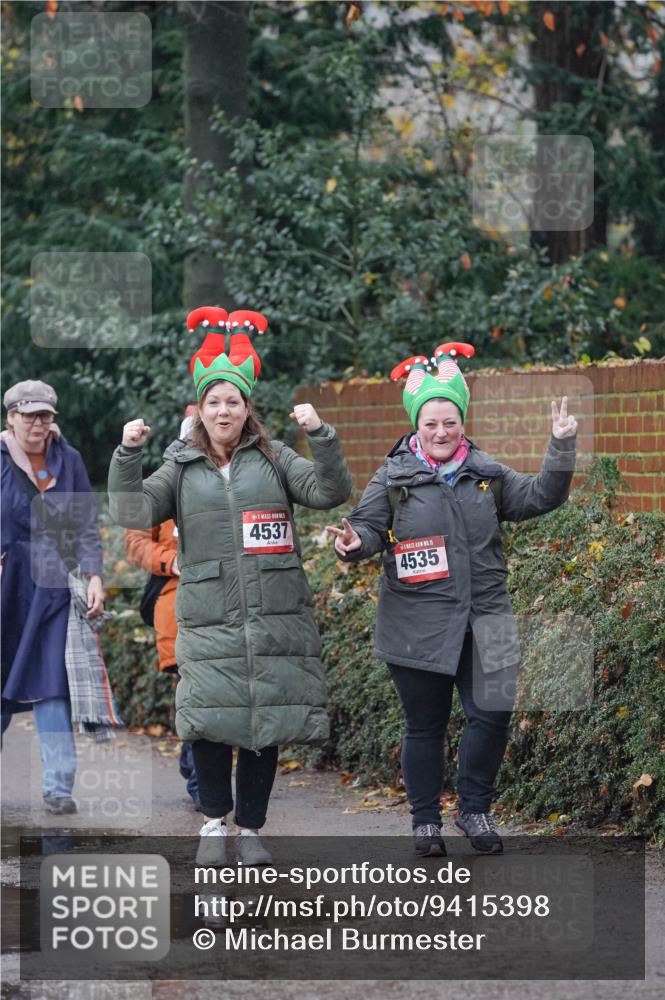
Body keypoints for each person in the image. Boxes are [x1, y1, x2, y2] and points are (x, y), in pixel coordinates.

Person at [108, 307, 352, 864]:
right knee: (211, 722)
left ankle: (250, 829)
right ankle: (214, 823)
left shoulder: (273, 457)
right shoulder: (180, 465)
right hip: (208, 612)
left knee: (265, 723)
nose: (224, 410)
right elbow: (131, 507)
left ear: (247, 408)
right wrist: (127, 454)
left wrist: (321, 434)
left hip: (274, 611)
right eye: (214, 402)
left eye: (233, 401)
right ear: (201, 410)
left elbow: (328, 490)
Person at [327, 342, 577, 857]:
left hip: (488, 616)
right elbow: (369, 529)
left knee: (494, 714)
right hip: (415, 621)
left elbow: (542, 497)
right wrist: (354, 544)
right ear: (416, 426)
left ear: (462, 422)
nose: (441, 432)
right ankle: (424, 822)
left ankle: (474, 809)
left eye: (450, 422)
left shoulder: (486, 473)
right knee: (425, 725)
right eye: (431, 424)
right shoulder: (393, 477)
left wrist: (560, 446)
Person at [1, 379, 112, 815]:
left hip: (52, 587)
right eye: (28, 415)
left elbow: (85, 524)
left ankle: (59, 788)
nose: (37, 423)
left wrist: (95, 576)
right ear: (10, 416)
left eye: (45, 415)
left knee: (53, 684)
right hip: (7, 585)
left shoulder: (69, 460)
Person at [124, 407, 200, 809]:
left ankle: (198, 769)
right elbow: (135, 541)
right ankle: (200, 776)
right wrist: (171, 561)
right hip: (176, 604)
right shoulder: (161, 483)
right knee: (192, 691)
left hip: (229, 604)